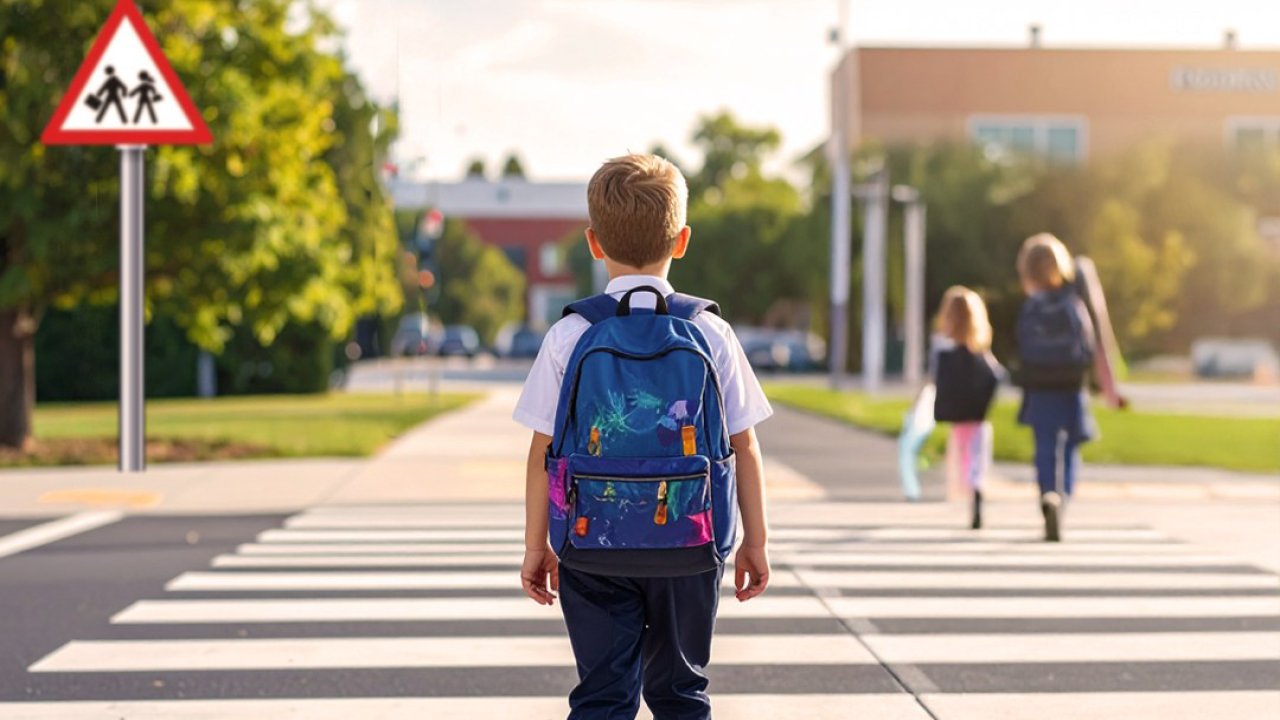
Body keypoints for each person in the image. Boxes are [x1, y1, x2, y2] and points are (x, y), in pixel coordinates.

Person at [514, 153, 773, 719]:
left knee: (603, 697)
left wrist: (539, 547)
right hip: (691, 541)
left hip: (592, 543)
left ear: (593, 242)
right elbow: (742, 444)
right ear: (681, 240)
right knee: (681, 694)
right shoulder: (710, 330)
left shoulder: (570, 333)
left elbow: (542, 452)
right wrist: (755, 540)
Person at [1014, 233, 1098, 542]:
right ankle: (1063, 497)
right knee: (1070, 446)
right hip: (1070, 384)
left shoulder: (1031, 307)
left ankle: (1047, 492)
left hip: (1039, 386)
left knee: (1044, 447)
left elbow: (1022, 344)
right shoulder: (1072, 302)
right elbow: (1087, 342)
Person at [931, 286, 1003, 529]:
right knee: (976, 460)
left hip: (958, 418)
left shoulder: (945, 354)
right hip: (978, 418)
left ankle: (971, 490)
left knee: (961, 458)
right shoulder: (980, 354)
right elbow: (997, 376)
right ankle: (976, 489)